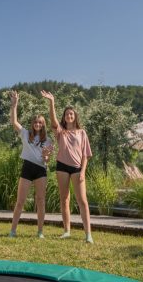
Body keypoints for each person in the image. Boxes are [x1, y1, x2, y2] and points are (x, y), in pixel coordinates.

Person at [41, 90, 93, 244]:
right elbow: (52, 119)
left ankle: (88, 234)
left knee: (82, 201)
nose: (69, 116)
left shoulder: (82, 133)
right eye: (66, 114)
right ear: (64, 117)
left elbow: (85, 155)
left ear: (75, 116)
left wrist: (83, 171)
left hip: (77, 169)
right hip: (62, 167)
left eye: (71, 114)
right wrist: (52, 101)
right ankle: (66, 231)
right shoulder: (60, 132)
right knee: (64, 199)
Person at [9, 91, 53, 239]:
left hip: (40, 170)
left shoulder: (48, 141)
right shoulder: (26, 134)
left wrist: (46, 156)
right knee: (20, 201)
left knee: (40, 201)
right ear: (32, 124)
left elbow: (47, 161)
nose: (37, 124)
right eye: (35, 122)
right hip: (27, 168)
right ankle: (13, 230)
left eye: (40, 122)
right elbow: (14, 123)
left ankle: (40, 231)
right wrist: (14, 104)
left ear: (43, 124)